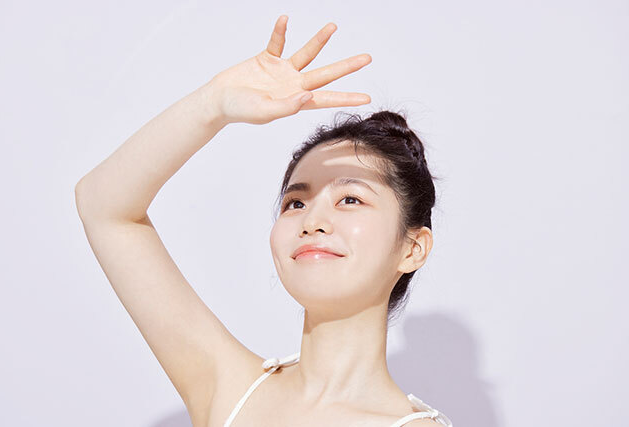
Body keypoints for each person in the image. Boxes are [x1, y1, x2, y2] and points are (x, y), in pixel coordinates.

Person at [75, 15, 452, 427]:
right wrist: (213, 104)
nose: (313, 220)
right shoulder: (230, 391)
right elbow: (103, 206)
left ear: (413, 248)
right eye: (295, 203)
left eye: (350, 199)